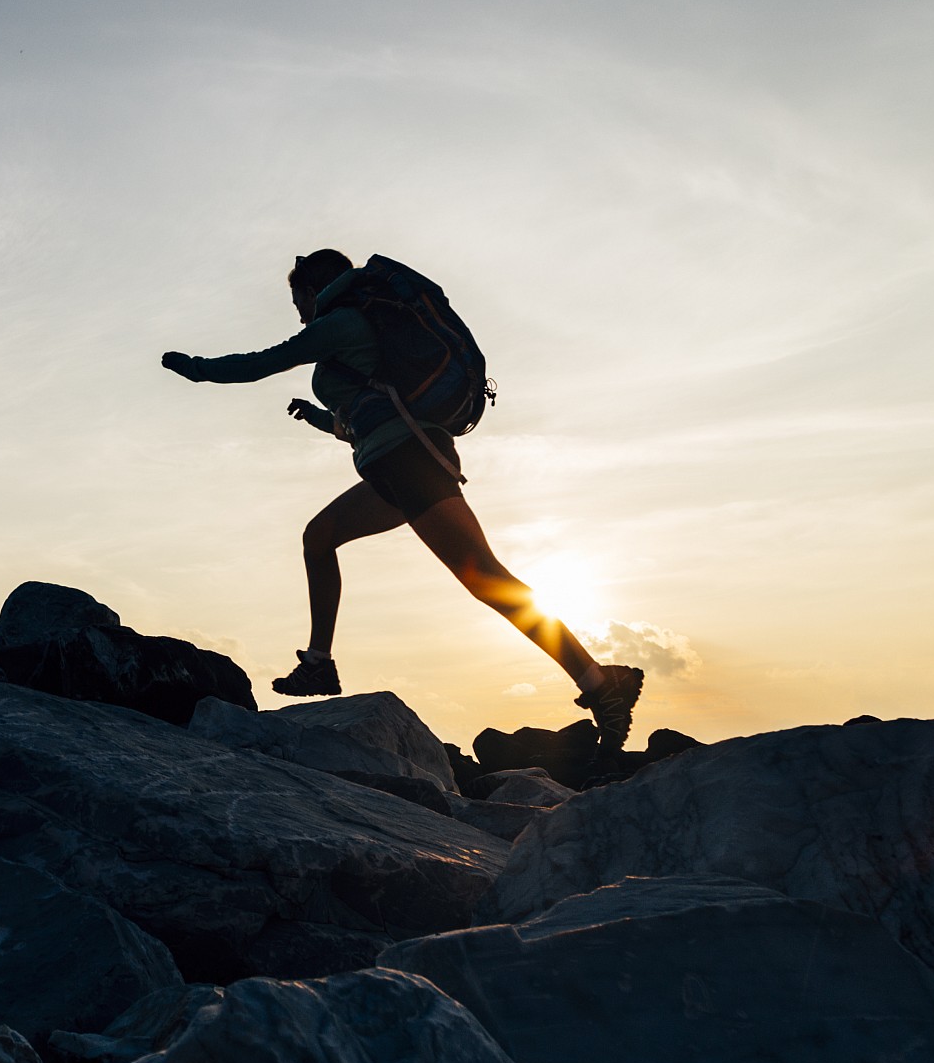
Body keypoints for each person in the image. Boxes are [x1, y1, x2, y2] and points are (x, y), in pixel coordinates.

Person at [161, 248, 643, 755]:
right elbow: (369, 420)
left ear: (311, 290)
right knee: (319, 538)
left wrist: (199, 370)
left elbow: (264, 362)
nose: (297, 310)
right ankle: (319, 665)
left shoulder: (340, 323)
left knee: (487, 579)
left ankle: (601, 684)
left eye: (295, 298)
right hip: (392, 466)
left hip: (410, 463)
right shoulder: (353, 333)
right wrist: (319, 418)